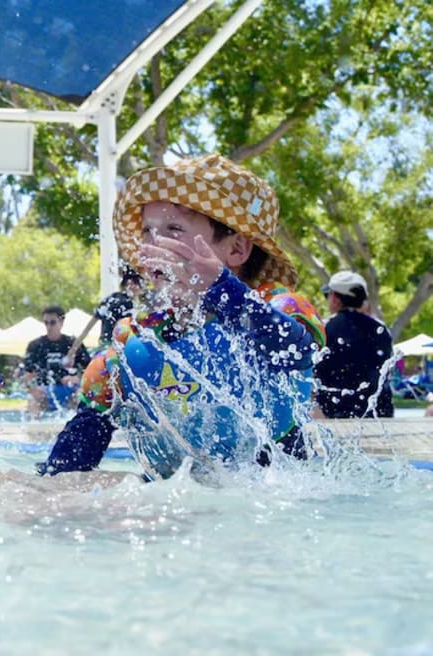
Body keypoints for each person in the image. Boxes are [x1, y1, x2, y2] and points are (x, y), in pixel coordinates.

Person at [38, 154, 326, 481]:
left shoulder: (278, 306)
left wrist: (220, 288)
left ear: (236, 249)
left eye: (174, 230)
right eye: (147, 231)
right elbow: (66, 469)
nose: (153, 245)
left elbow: (297, 351)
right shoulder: (130, 344)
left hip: (274, 493)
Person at [313, 271, 395, 418]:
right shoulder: (381, 330)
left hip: (335, 413)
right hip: (379, 413)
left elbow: (314, 374)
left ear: (335, 298)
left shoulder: (324, 329)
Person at [22, 305, 90, 417]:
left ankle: (79, 423)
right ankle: (34, 425)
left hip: (70, 390)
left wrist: (76, 378)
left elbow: (90, 370)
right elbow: (27, 375)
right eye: (46, 323)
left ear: (61, 322)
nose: (49, 327)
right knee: (32, 400)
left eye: (52, 322)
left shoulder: (73, 344)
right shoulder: (35, 346)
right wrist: (32, 389)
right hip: (45, 391)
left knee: (81, 396)